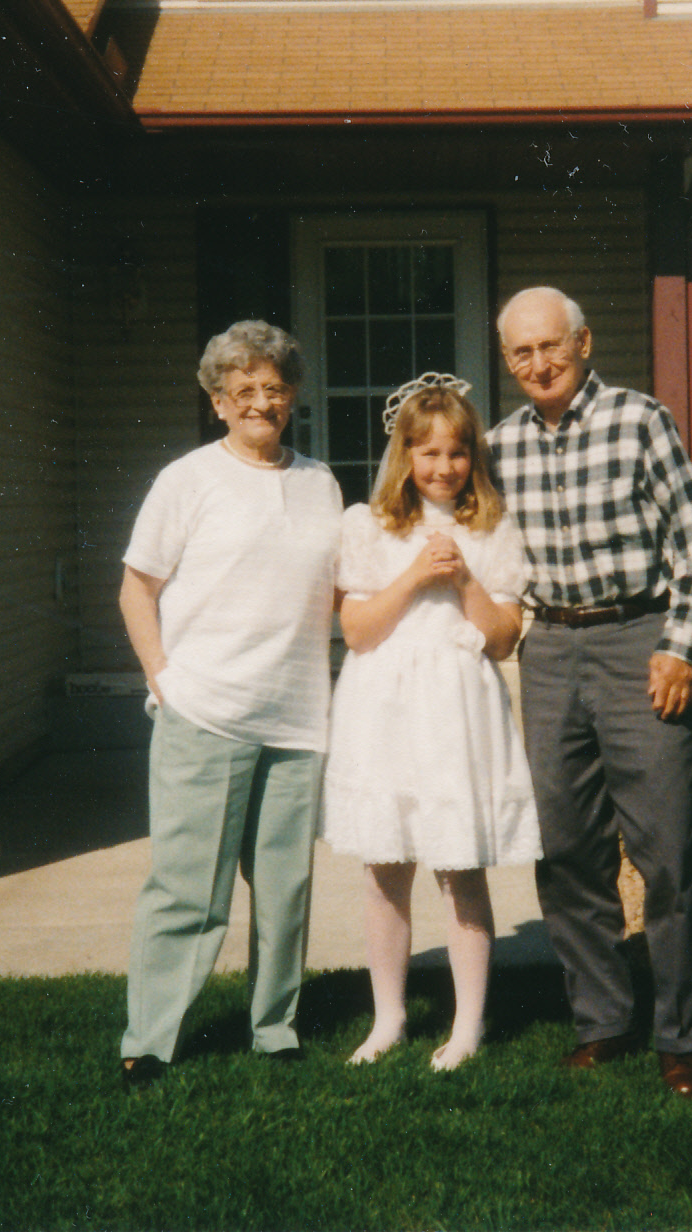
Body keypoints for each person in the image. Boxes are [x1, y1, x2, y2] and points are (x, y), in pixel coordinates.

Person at [485, 287, 692, 1099]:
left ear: (582, 343)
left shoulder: (639, 420)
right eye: (521, 352)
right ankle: (602, 1022)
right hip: (550, 649)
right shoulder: (499, 446)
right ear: (507, 360)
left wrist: (678, 649)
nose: (538, 364)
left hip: (637, 644)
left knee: (667, 853)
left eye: (550, 346)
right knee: (566, 852)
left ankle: (681, 1038)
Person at [116, 320, 345, 1090]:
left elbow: (335, 589)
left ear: (292, 398)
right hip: (206, 712)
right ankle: (151, 1039)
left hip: (296, 718)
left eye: (273, 388)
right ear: (217, 401)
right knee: (188, 891)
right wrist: (164, 679)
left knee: (284, 892)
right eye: (242, 389)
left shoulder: (320, 483)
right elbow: (136, 589)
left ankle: (274, 1026)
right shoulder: (187, 480)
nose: (259, 402)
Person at [321, 375, 539, 1071]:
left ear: (473, 456)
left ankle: (467, 1024)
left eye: (457, 453)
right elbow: (358, 630)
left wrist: (464, 579)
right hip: (384, 708)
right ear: (405, 455)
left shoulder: (491, 529)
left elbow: (501, 638)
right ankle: (388, 1017)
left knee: (459, 868)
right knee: (385, 869)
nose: (443, 467)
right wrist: (415, 574)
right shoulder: (368, 524)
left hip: (456, 712)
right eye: (428, 453)